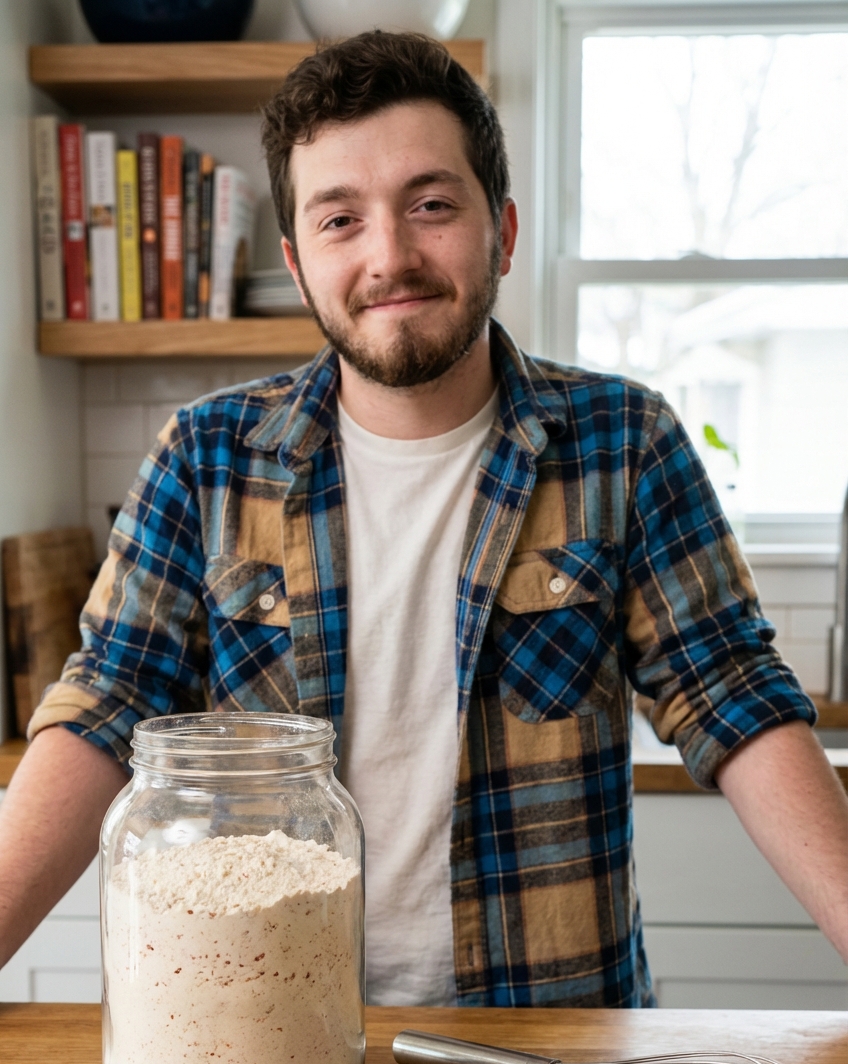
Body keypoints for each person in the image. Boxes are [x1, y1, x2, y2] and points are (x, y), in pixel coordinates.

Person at [1, 33, 846, 1006]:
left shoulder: (623, 442)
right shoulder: (202, 458)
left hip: (552, 1057)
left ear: (504, 228)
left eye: (430, 205)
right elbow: (105, 710)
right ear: (297, 259)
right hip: (270, 1036)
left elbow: (731, 697)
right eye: (339, 220)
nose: (389, 257)